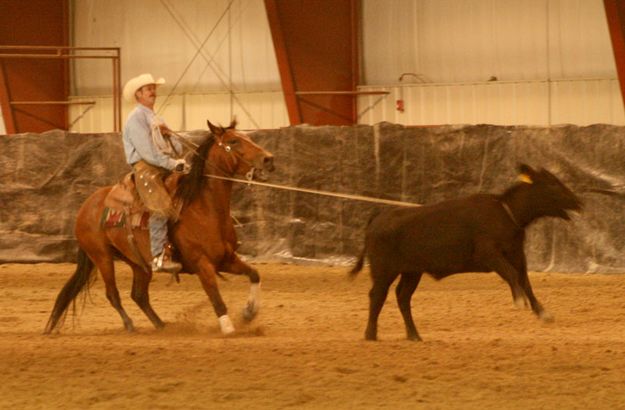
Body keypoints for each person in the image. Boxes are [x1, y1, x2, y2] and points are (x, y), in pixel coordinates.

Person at [122, 73, 188, 273]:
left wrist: (169, 135)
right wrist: (172, 164)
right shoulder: (135, 118)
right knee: (160, 207)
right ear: (138, 95)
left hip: (162, 164)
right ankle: (158, 257)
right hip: (146, 169)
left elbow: (174, 146)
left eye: (153, 88)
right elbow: (148, 153)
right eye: (148, 89)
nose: (153, 92)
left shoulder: (156, 118)